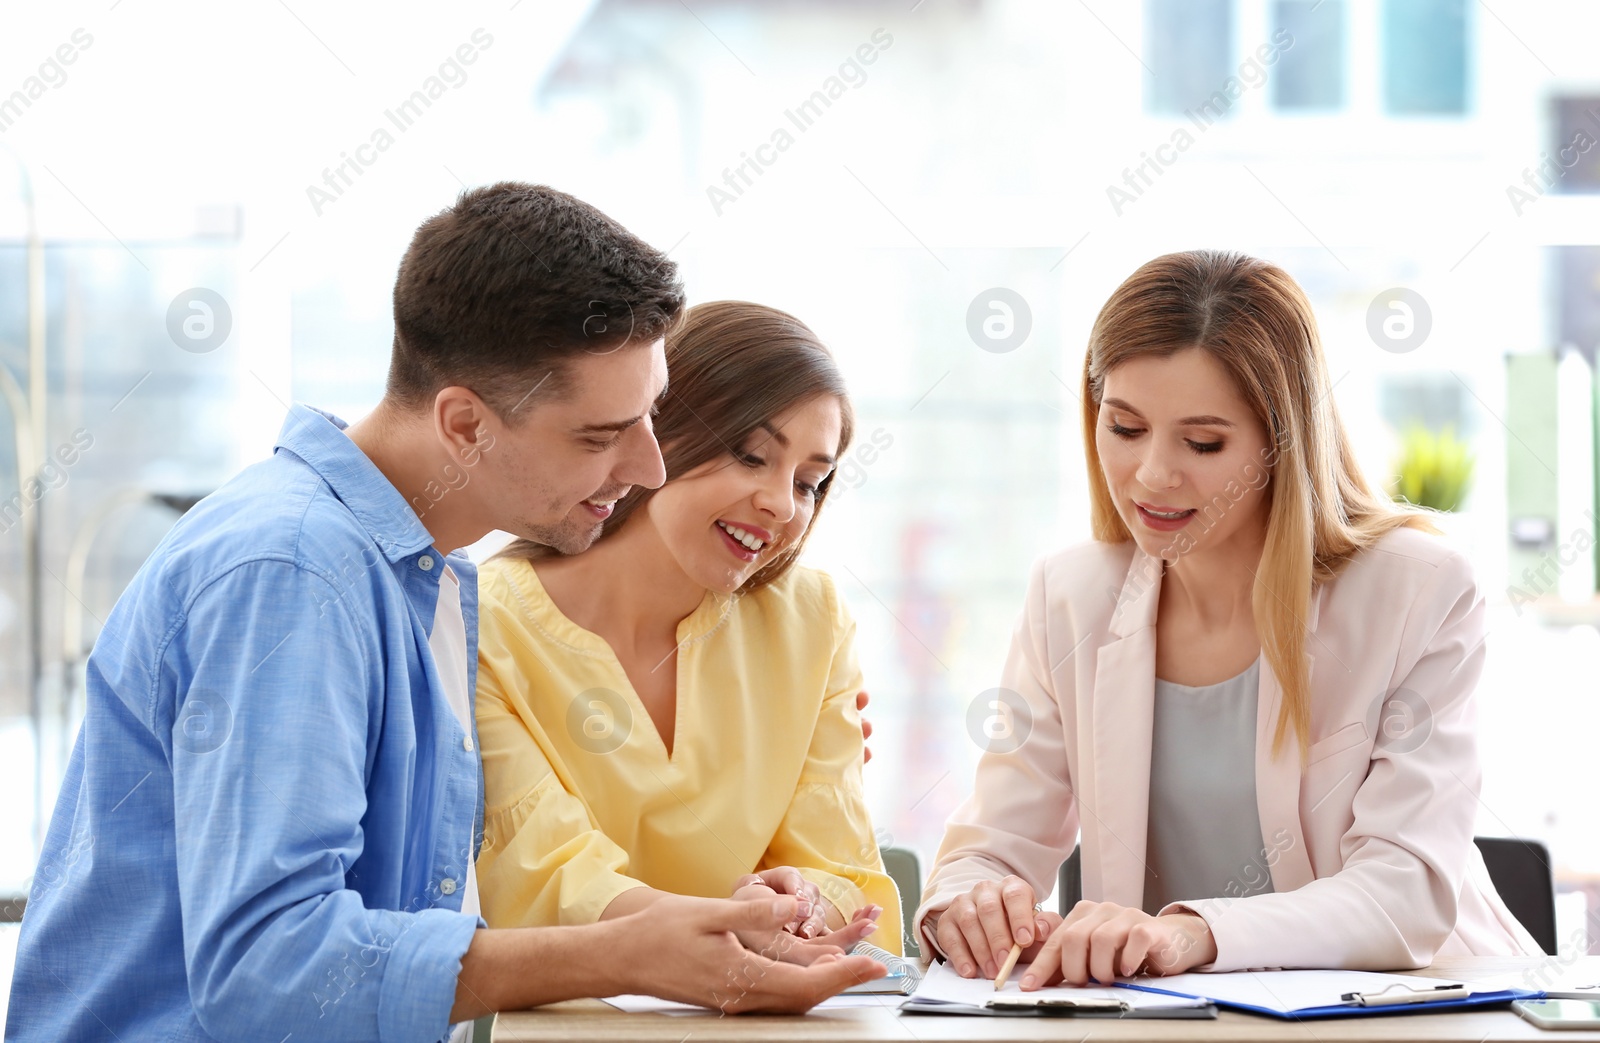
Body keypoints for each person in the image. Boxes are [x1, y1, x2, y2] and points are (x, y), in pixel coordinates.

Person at [7, 183, 882, 1043]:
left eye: (651, 418)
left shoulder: (425, 579)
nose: (651, 467)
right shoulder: (293, 574)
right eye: (600, 433)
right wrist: (618, 953)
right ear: (465, 425)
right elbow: (270, 969)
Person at [914, 250, 1539, 990]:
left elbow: (1401, 893)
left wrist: (1191, 932)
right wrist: (970, 903)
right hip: (1180, 1022)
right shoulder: (1071, 594)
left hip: (1421, 1010)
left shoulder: (1419, 589)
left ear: (1282, 442)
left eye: (1203, 442)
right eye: (1124, 427)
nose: (1152, 474)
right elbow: (991, 842)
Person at [473, 300, 902, 958]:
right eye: (750, 455)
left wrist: (800, 907)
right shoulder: (485, 625)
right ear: (652, 432)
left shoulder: (810, 619)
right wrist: (729, 928)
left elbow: (839, 864)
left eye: (809, 481)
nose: (782, 504)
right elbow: (546, 876)